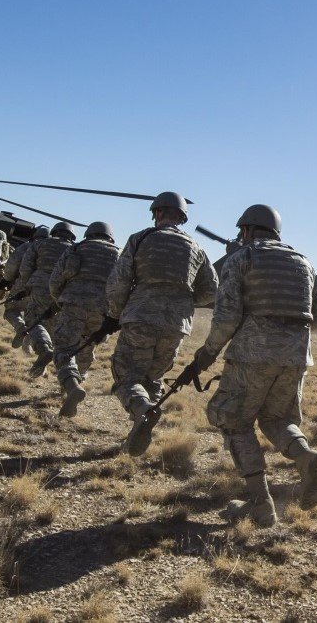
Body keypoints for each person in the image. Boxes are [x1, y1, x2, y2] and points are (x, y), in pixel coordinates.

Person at [181, 204, 317, 527]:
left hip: (252, 356)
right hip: (295, 359)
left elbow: (226, 316)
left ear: (246, 231)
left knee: (233, 421)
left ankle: (261, 504)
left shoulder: (242, 259)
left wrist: (206, 354)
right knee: (277, 419)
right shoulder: (304, 263)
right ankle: (307, 457)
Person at [104, 192, 216, 456]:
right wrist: (184, 302)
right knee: (153, 378)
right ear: (182, 218)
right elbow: (211, 290)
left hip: (141, 316)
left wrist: (118, 312)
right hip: (176, 325)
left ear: (157, 213)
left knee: (126, 376)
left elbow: (118, 282)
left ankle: (143, 411)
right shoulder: (196, 248)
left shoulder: (141, 238)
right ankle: (139, 429)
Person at [40, 221, 120, 417]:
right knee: (87, 347)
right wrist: (115, 314)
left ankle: (71, 385)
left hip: (74, 304)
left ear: (89, 234)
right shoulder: (119, 254)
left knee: (64, 348)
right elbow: (124, 285)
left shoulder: (77, 248)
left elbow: (56, 279)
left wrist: (59, 300)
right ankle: (76, 382)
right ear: (109, 236)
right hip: (102, 310)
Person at [22, 222, 77, 378]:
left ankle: (44, 350)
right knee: (53, 328)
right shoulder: (74, 249)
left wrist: (27, 284)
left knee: (33, 321)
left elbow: (26, 267)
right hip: (62, 293)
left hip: (39, 286)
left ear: (54, 231)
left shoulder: (40, 244)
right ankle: (55, 372)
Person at [3, 225, 49, 350]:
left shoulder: (26, 247)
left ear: (34, 236)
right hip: (46, 291)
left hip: (23, 286)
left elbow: (11, 267)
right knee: (36, 319)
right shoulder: (53, 249)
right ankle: (29, 345)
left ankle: (20, 327)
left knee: (11, 310)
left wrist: (7, 280)